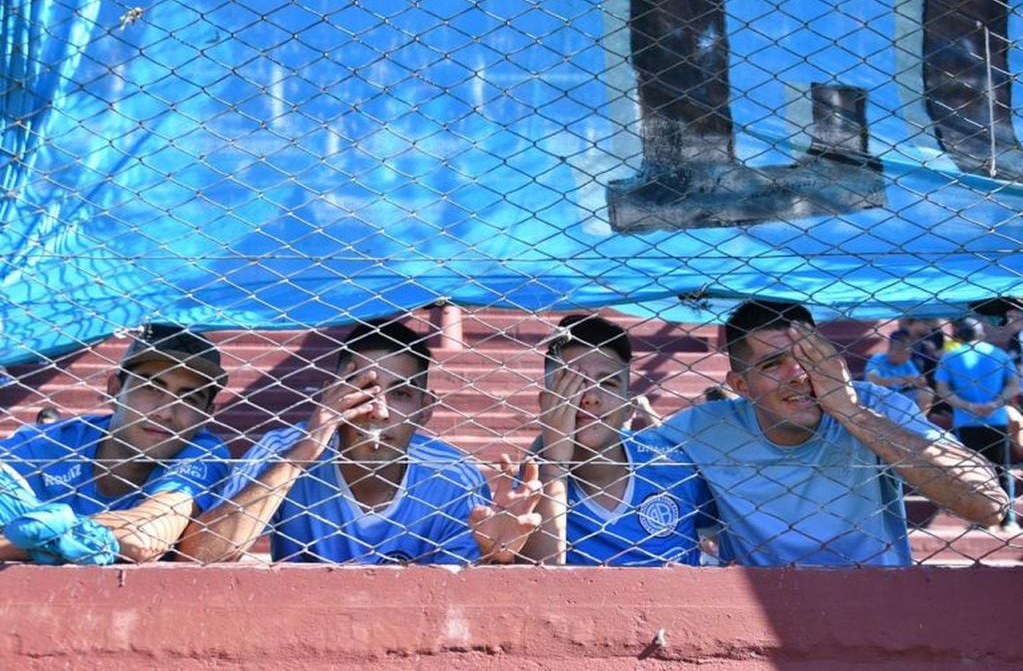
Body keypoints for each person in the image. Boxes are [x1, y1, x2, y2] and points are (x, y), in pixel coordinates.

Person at [649, 300, 1006, 567]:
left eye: (809, 356)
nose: (799, 374)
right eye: (773, 363)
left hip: (875, 600)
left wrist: (850, 411)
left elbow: (988, 505)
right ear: (741, 384)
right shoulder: (704, 427)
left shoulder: (874, 403)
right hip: (758, 606)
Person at [176, 318, 542, 565]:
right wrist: (308, 446)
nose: (378, 411)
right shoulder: (281, 448)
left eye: (400, 394)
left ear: (425, 409)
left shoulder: (453, 476)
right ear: (330, 394)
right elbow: (198, 556)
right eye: (362, 390)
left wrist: (495, 557)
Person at [0, 324, 230, 563]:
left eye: (189, 398)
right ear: (115, 391)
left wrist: (32, 536)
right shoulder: (49, 442)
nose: (165, 412)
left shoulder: (203, 452)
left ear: (206, 415)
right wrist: (82, 538)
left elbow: (145, 537)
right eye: (151, 388)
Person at [522, 315, 712, 566]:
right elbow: (538, 583)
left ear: (628, 406)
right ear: (546, 404)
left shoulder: (672, 463)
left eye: (607, 383)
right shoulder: (531, 482)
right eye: (573, 383)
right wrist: (555, 464)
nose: (590, 397)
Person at [935, 317, 1019, 512]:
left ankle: (980, 515)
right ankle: (1008, 517)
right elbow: (1014, 384)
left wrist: (968, 406)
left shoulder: (950, 356)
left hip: (966, 420)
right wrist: (995, 403)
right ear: (981, 333)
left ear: (958, 334)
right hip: (996, 418)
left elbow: (943, 389)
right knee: (1001, 468)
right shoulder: (998, 354)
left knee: (972, 469)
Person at [864, 330, 932, 413]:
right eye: (906, 353)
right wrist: (901, 380)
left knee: (927, 393)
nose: (909, 355)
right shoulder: (877, 359)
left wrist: (919, 380)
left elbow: (921, 381)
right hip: (879, 396)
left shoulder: (907, 362)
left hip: (900, 395)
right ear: (894, 351)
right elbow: (872, 379)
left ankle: (918, 420)